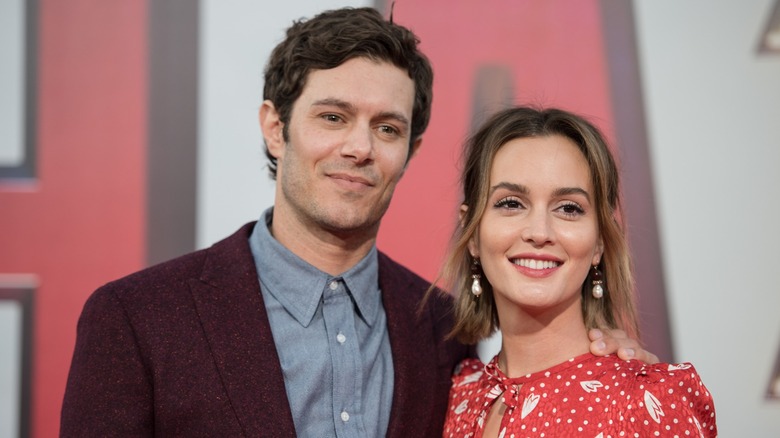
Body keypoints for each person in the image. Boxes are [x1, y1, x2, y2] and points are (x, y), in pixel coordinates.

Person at [60, 8, 653, 437]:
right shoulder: (138, 319)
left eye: (387, 128)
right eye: (333, 116)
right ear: (275, 126)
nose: (359, 148)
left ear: (411, 151)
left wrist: (611, 369)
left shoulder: (444, 331)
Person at [439, 106, 717, 437]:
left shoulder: (645, 403)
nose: (539, 232)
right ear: (471, 232)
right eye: (511, 203)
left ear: (599, 241)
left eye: (569, 208)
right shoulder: (457, 392)